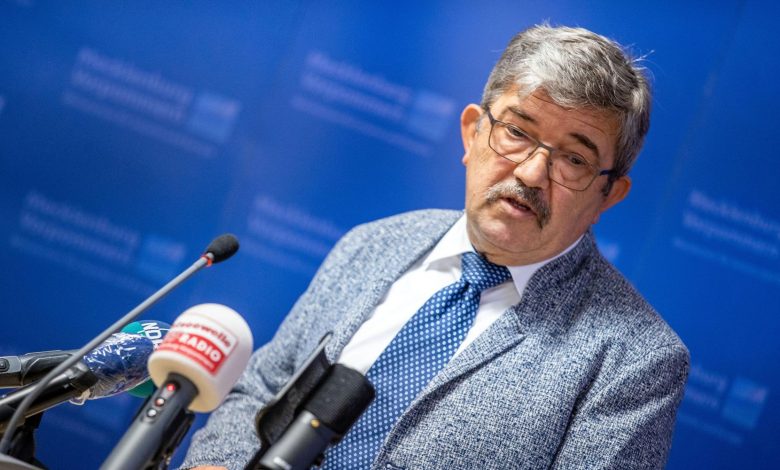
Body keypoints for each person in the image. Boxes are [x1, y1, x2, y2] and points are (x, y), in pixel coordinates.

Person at [182, 23, 689, 470]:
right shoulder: (374, 243)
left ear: (608, 194)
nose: (533, 172)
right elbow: (262, 390)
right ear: (472, 133)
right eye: (517, 131)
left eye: (575, 159)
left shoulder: (637, 361)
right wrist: (215, 463)